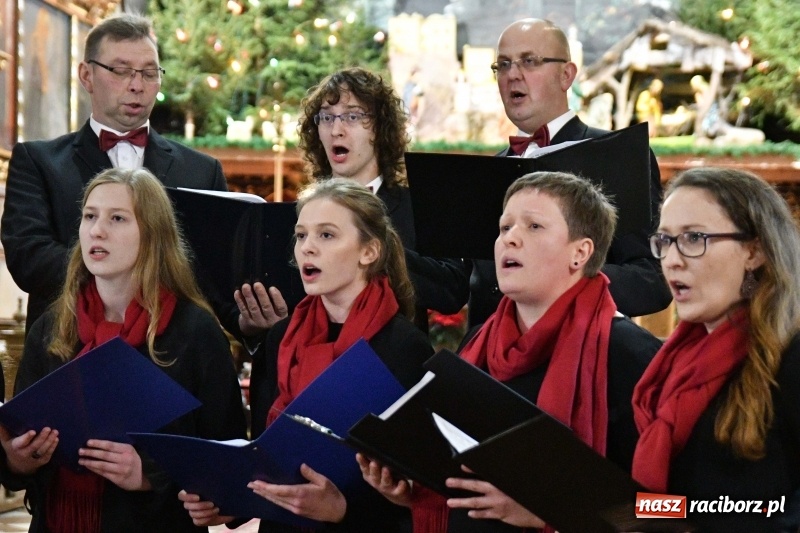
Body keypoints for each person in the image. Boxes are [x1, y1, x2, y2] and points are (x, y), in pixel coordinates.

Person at [359, 171, 662, 532]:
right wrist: (417, 491)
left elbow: (674, 510)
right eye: (504, 227)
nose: (510, 239)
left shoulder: (630, 353)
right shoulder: (477, 345)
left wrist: (550, 513)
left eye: (534, 226)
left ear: (580, 252)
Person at [0, 168, 248, 532]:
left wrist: (148, 473)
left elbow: (227, 459)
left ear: (152, 234)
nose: (97, 231)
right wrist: (18, 459)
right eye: (89, 216)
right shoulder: (52, 327)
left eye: (117, 218)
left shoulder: (194, 331)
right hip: (56, 520)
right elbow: (18, 450)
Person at [180, 178, 434, 532]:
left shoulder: (405, 348)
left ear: (369, 251)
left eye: (326, 235)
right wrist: (230, 503)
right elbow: (264, 453)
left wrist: (342, 511)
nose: (307, 248)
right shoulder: (280, 336)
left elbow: (419, 496)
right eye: (301, 236)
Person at [246, 67, 468, 436]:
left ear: (379, 128)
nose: (336, 129)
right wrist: (255, 325)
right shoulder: (302, 216)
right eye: (326, 117)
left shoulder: (417, 206)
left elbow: (451, 290)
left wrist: (367, 237)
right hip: (302, 354)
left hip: (386, 366)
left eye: (352, 117)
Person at [0, 13, 247, 337]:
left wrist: (249, 324)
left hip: (174, 350)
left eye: (149, 73)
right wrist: (125, 274)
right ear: (87, 75)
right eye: (121, 71)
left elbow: (217, 276)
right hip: (68, 344)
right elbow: (28, 258)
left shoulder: (201, 171)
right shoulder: (39, 162)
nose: (137, 85)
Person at [465, 18, 671, 328]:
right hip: (491, 351)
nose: (513, 75)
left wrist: (563, 279)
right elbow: (462, 284)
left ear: (566, 75)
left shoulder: (617, 154)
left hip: (581, 348)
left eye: (529, 61)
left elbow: (651, 280)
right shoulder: (485, 173)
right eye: (503, 65)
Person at [632, 167, 800, 532]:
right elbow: (682, 505)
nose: (671, 259)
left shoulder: (791, 356)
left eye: (694, 238)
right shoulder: (671, 362)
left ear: (754, 251)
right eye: (665, 240)